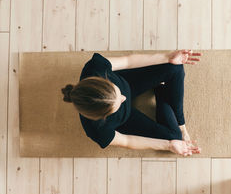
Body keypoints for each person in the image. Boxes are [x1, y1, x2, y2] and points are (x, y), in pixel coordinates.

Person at [61, 49, 202, 156]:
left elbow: (129, 61)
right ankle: (161, 89)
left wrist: (167, 57)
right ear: (103, 116)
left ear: (104, 80)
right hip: (126, 119)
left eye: (117, 93)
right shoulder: (97, 131)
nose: (124, 98)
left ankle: (180, 122)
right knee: (175, 139)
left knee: (175, 66)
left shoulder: (95, 68)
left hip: (128, 82)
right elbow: (127, 141)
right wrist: (169, 145)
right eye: (116, 105)